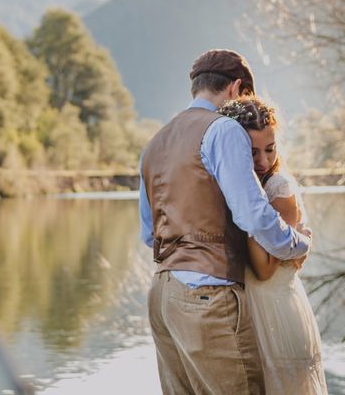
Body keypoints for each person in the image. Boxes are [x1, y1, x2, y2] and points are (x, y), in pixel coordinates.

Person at [139, 49, 312, 395]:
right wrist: (299, 242)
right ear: (236, 89)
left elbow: (149, 232)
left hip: (162, 294)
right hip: (208, 296)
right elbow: (253, 215)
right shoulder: (224, 129)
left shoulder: (155, 142)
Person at [217, 97, 328, 394]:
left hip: (278, 312)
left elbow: (265, 269)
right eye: (252, 152)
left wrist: (250, 205)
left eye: (270, 149)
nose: (263, 161)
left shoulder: (278, 188)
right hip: (252, 313)